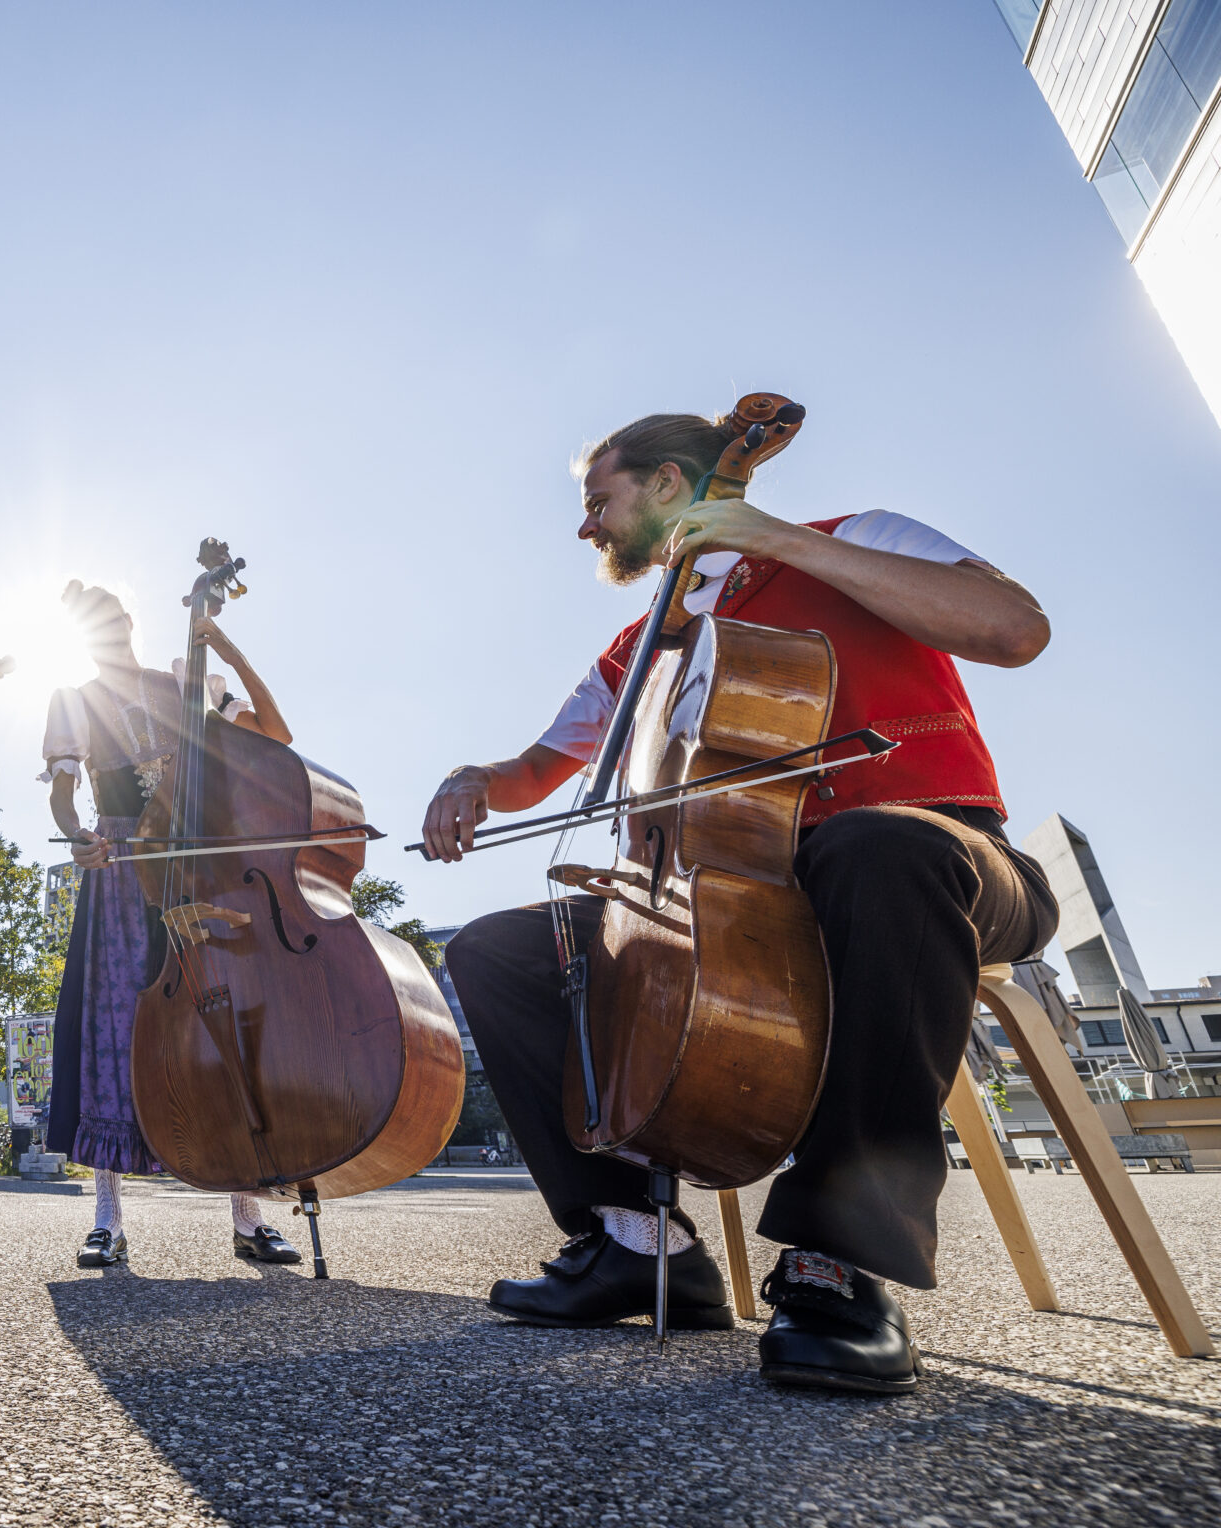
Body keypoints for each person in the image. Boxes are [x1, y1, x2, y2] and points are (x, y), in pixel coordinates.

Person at [419, 407, 1056, 1395]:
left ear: (671, 486)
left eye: (599, 500)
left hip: (938, 859)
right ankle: (636, 1239)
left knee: (874, 847)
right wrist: (470, 777)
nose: (585, 528)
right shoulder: (641, 647)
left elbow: (1014, 629)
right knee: (498, 951)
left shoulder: (854, 538)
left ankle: (836, 1257)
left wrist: (775, 539)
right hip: (731, 896)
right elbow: (538, 768)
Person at [41, 580, 307, 1270]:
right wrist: (76, 837)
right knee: (117, 1027)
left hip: (204, 867)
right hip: (124, 865)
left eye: (108, 616)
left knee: (225, 1024)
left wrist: (223, 643)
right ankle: (107, 1217)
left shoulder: (188, 682)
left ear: (128, 619)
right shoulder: (71, 702)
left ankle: (248, 1216)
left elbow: (275, 733)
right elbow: (66, 799)